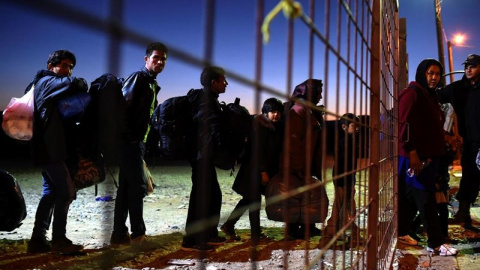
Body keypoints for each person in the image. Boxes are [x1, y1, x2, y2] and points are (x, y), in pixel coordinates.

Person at [26, 50, 87, 254]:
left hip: (48, 149)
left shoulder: (41, 84)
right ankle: (59, 240)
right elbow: (75, 83)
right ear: (51, 65)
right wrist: (79, 82)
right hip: (50, 150)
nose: (68, 71)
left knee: (50, 193)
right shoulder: (46, 81)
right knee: (66, 192)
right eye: (64, 65)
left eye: (71, 67)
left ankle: (37, 240)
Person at [397, 58, 457, 256]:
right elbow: (403, 124)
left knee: (409, 198)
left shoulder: (430, 96)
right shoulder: (412, 94)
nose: (434, 78)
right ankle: (436, 243)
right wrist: (412, 151)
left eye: (438, 74)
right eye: (430, 73)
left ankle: (402, 231)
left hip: (427, 156)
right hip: (415, 156)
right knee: (426, 198)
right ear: (422, 73)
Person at [110, 42, 168, 246]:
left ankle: (118, 235)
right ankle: (138, 234)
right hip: (129, 142)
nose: (160, 61)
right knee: (137, 187)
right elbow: (122, 109)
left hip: (135, 143)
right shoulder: (138, 78)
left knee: (126, 188)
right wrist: (131, 137)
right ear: (146, 59)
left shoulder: (152, 83)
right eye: (156, 58)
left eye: (163, 59)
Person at [221, 97, 284, 243]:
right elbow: (257, 151)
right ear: (265, 112)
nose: (276, 115)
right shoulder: (260, 126)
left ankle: (229, 225)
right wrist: (263, 172)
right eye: (272, 112)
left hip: (258, 170)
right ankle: (255, 234)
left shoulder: (274, 128)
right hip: (254, 170)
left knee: (249, 200)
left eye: (278, 112)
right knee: (253, 200)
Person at [181, 66, 229, 252]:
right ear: (213, 83)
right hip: (200, 155)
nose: (225, 83)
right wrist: (224, 142)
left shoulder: (208, 99)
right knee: (201, 197)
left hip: (204, 155)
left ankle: (209, 233)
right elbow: (210, 123)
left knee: (214, 194)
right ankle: (191, 239)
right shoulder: (204, 100)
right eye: (223, 80)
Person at [437, 54, 480, 230]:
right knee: (469, 175)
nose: (468, 69)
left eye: (473, 66)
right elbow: (435, 97)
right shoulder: (457, 88)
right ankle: (463, 213)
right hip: (469, 143)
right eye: (467, 66)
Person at [282, 79, 324, 240]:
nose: (320, 96)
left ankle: (309, 226)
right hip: (300, 164)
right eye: (318, 92)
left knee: (310, 194)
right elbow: (292, 141)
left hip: (310, 160)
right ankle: (292, 229)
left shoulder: (309, 110)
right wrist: (298, 167)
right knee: (296, 196)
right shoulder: (299, 110)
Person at [320, 113, 361, 247]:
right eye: (354, 126)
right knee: (341, 204)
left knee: (345, 204)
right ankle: (332, 231)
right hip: (343, 178)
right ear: (344, 126)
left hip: (347, 178)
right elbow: (343, 163)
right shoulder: (344, 141)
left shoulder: (350, 140)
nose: (357, 129)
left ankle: (339, 229)